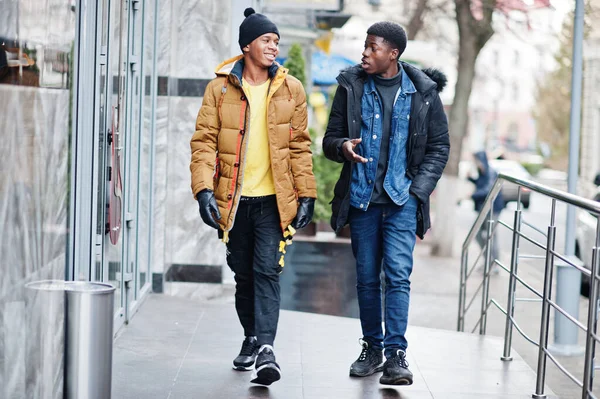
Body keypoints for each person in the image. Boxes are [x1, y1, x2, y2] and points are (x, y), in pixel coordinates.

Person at [189, 8, 316, 386]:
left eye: (277, 41)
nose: (274, 47)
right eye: (266, 40)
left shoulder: (291, 89)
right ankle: (251, 337)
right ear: (247, 45)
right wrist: (203, 191)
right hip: (234, 201)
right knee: (243, 276)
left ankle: (266, 349)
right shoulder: (221, 88)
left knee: (266, 272)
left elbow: (300, 148)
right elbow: (204, 143)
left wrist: (306, 194)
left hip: (275, 201)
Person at [322, 21, 449, 386]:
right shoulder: (351, 87)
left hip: (401, 201)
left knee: (397, 276)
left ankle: (396, 356)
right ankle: (372, 349)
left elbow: (439, 148)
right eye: (365, 46)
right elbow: (330, 139)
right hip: (361, 199)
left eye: (372, 47)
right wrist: (342, 147)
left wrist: (418, 190)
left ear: (393, 54)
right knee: (365, 279)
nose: (365, 52)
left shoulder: (422, 92)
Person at [468, 151, 505, 269]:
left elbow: (488, 190)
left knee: (491, 236)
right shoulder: (482, 172)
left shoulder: (491, 172)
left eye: (476, 161)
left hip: (493, 208)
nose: (475, 163)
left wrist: (471, 195)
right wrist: (471, 179)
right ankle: (488, 260)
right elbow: (481, 184)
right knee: (478, 234)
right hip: (483, 208)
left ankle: (494, 264)